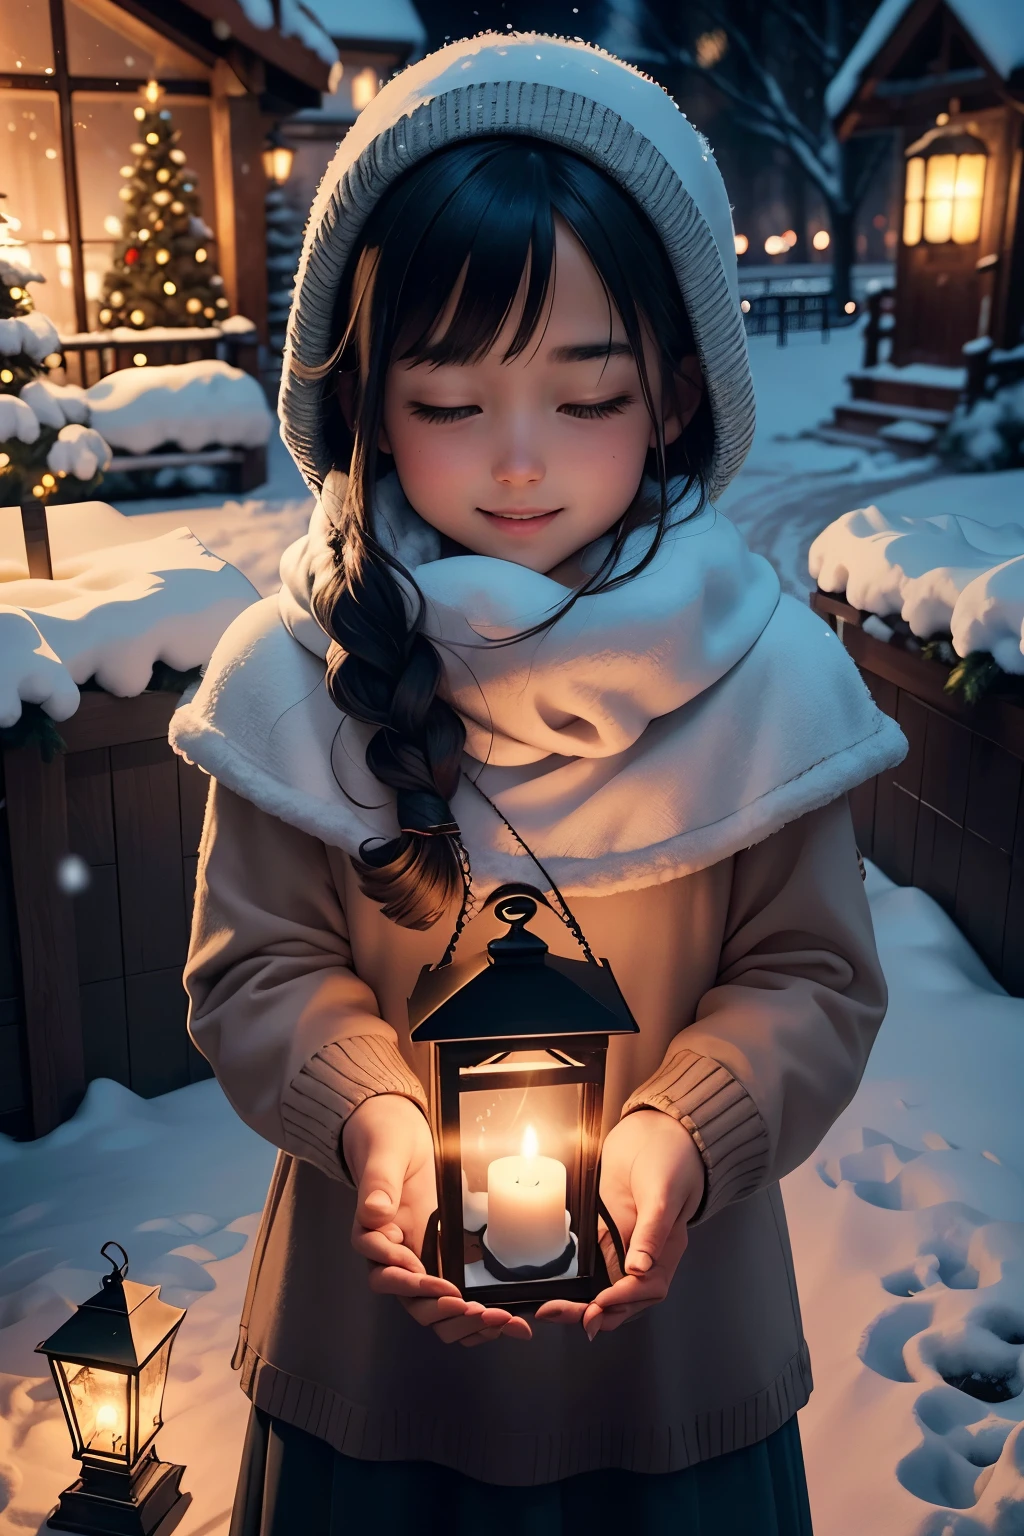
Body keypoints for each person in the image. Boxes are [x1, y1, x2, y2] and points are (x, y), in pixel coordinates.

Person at [174, 32, 906, 1536]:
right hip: (371, 1362)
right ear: (368, 402)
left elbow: (812, 977)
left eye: (585, 397)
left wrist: (682, 1135)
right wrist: (373, 1116)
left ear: (678, 394)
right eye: (450, 401)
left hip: (673, 1364)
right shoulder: (293, 671)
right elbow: (257, 967)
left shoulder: (760, 677)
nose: (519, 462)